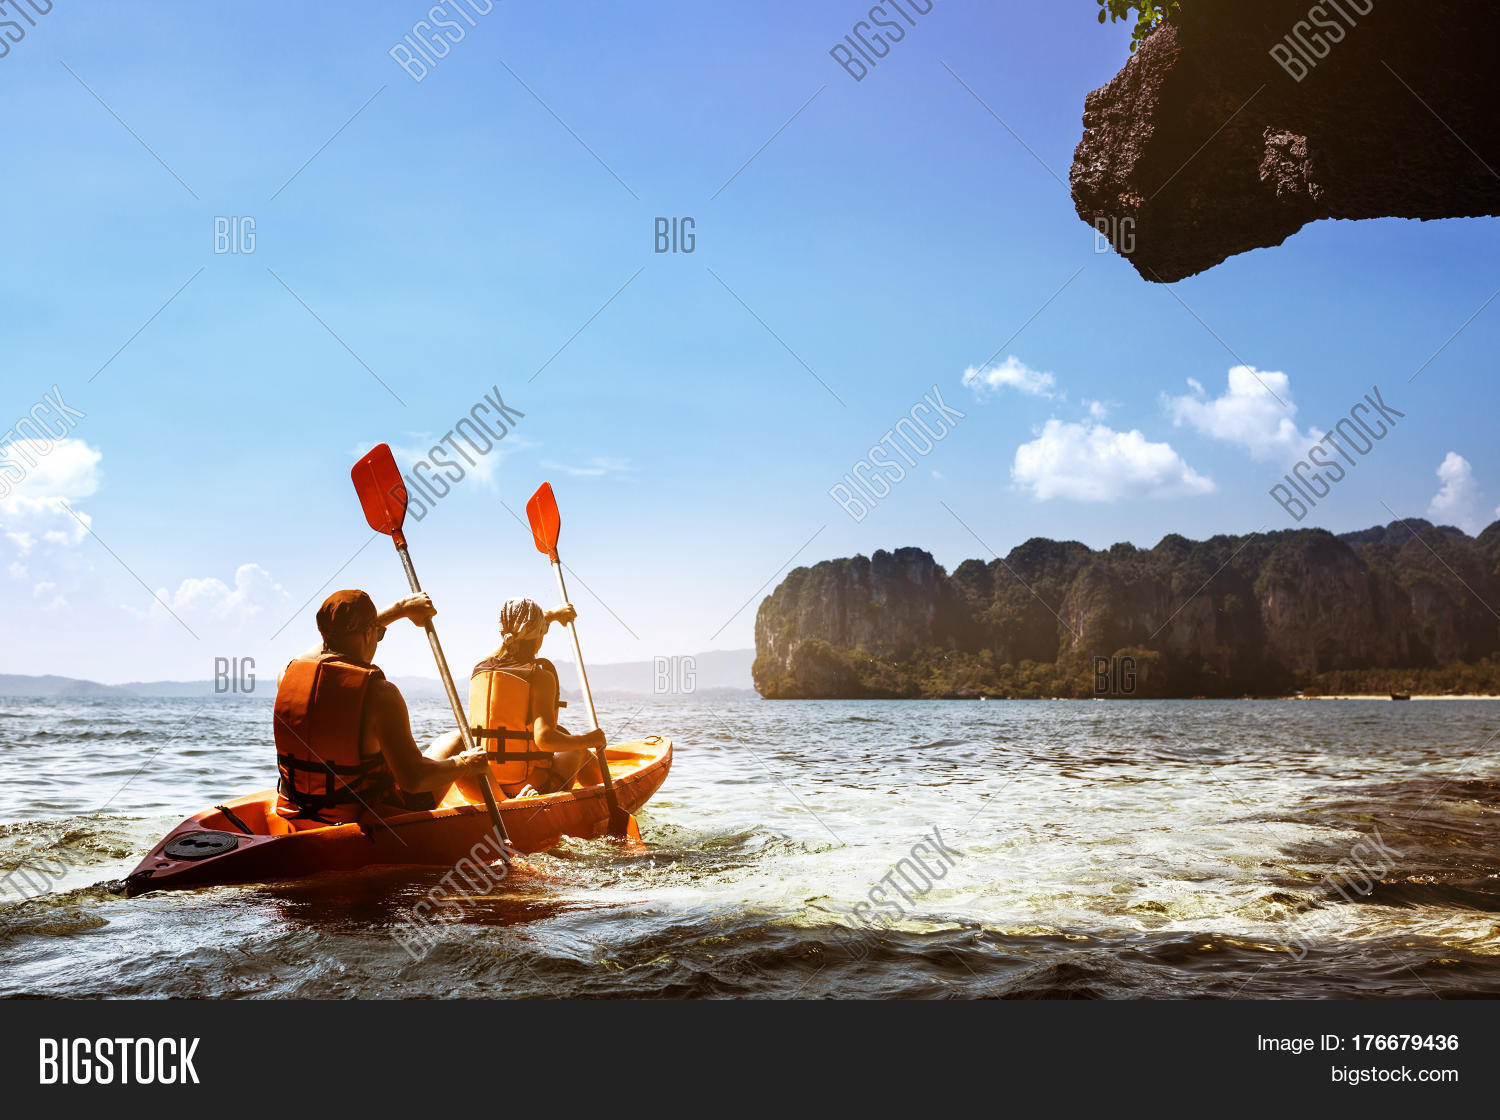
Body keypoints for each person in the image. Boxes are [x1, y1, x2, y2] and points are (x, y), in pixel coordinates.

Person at [273, 589, 490, 824]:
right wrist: (467, 764)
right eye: (378, 633)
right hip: (367, 817)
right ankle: (509, 803)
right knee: (460, 741)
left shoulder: (286, 675)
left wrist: (402, 609)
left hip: (298, 810)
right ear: (369, 633)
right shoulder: (380, 694)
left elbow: (318, 650)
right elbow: (414, 780)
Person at [463, 597, 606, 800]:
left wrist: (549, 616)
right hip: (527, 788)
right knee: (579, 749)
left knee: (564, 733)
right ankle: (605, 791)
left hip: (485, 786)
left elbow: (510, 639)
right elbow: (545, 739)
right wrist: (590, 739)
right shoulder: (539, 676)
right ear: (539, 634)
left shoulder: (480, 667)